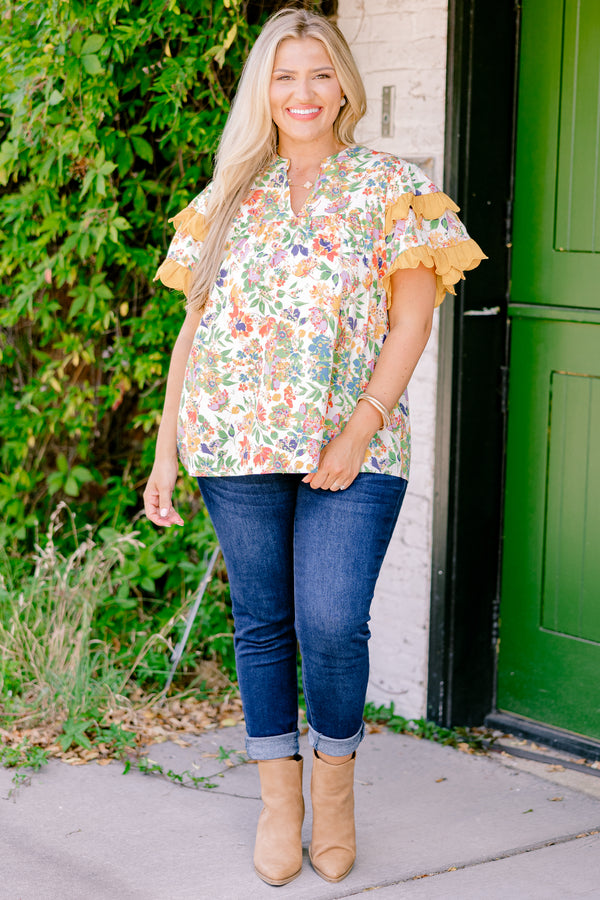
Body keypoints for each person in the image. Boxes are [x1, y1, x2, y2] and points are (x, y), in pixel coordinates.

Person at [144, 7, 485, 887]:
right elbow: (193, 335)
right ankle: (279, 802)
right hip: (233, 439)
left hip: (354, 443)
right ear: (266, 88)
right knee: (263, 626)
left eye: (320, 73)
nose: (304, 92)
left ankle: (334, 790)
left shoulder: (391, 188)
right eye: (286, 75)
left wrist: (359, 425)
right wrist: (164, 449)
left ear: (344, 86)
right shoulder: (226, 195)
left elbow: (412, 320)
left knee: (331, 623)